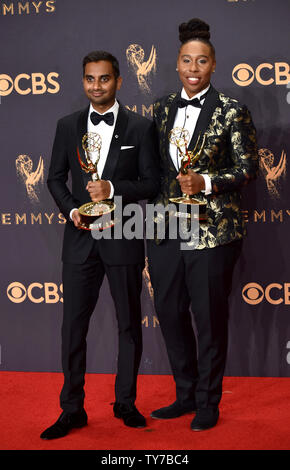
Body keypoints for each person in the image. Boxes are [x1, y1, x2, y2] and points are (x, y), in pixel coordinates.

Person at [40, 51, 159, 439]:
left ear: (119, 81)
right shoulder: (67, 125)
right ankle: (71, 409)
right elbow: (55, 178)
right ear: (83, 81)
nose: (96, 86)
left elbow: (151, 184)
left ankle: (125, 403)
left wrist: (112, 189)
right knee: (73, 327)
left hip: (122, 235)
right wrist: (72, 210)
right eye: (90, 79)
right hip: (79, 239)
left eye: (104, 79)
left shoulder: (140, 127)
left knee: (129, 325)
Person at [147, 18, 258, 431]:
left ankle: (209, 401)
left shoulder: (232, 110)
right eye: (187, 60)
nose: (194, 68)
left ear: (214, 65)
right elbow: (156, 171)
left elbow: (248, 169)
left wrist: (207, 181)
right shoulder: (159, 109)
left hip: (212, 230)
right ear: (176, 64)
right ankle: (186, 393)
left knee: (208, 317)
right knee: (169, 311)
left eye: (202, 61)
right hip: (164, 228)